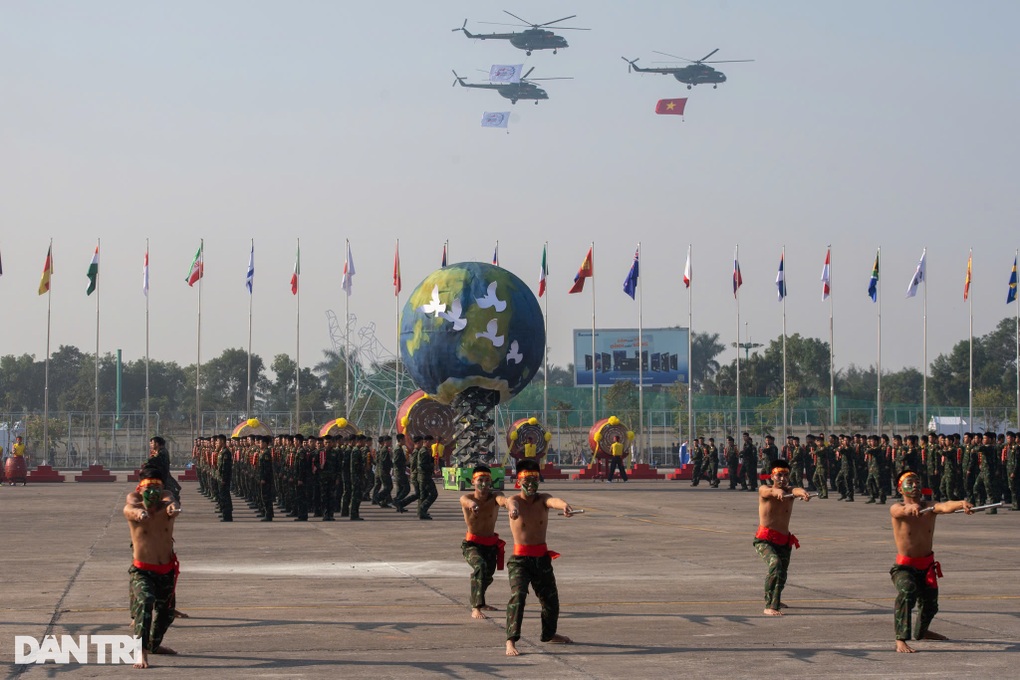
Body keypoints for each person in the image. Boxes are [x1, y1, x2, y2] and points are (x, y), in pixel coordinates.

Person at [889, 469, 973, 652]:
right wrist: (910, 508)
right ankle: (901, 639)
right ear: (900, 489)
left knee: (931, 605)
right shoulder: (896, 508)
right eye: (910, 482)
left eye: (917, 482)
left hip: (926, 566)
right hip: (905, 568)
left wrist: (961, 503)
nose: (915, 485)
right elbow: (900, 511)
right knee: (907, 591)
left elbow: (945, 506)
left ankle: (922, 631)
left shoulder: (930, 507)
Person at [504, 458, 574, 656]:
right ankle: (511, 640)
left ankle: (549, 634)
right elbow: (511, 505)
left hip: (542, 558)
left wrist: (564, 506)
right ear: (519, 481)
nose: (531, 485)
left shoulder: (543, 499)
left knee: (551, 601)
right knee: (518, 597)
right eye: (527, 481)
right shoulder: (515, 500)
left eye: (535, 481)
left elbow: (553, 501)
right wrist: (514, 511)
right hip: (520, 561)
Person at [124, 463, 182, 668]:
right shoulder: (134, 502)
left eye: (157, 489)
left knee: (166, 614)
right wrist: (140, 514)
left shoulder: (167, 502)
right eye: (149, 489)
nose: (153, 494)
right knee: (146, 600)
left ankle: (154, 645)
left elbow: (170, 502)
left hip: (166, 570)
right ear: (140, 488)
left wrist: (172, 508)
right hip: (142, 571)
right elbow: (129, 509)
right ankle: (141, 651)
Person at [753, 459, 811, 616]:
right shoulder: (764, 489)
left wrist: (803, 493)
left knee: (782, 573)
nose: (782, 478)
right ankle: (770, 605)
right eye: (779, 475)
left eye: (786, 475)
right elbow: (769, 492)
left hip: (784, 540)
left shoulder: (790, 492)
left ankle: (775, 599)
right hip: (765, 539)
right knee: (776, 564)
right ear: (772, 476)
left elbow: (797, 489)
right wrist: (777, 492)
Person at [460, 464, 508, 619]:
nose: (484, 484)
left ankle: (481, 599)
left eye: (487, 480)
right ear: (473, 481)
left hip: (490, 544)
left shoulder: (494, 497)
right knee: (480, 566)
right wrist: (473, 505)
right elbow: (467, 502)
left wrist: (510, 505)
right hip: (472, 545)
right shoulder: (467, 498)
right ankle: (476, 607)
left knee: (487, 576)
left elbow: (502, 500)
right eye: (480, 480)